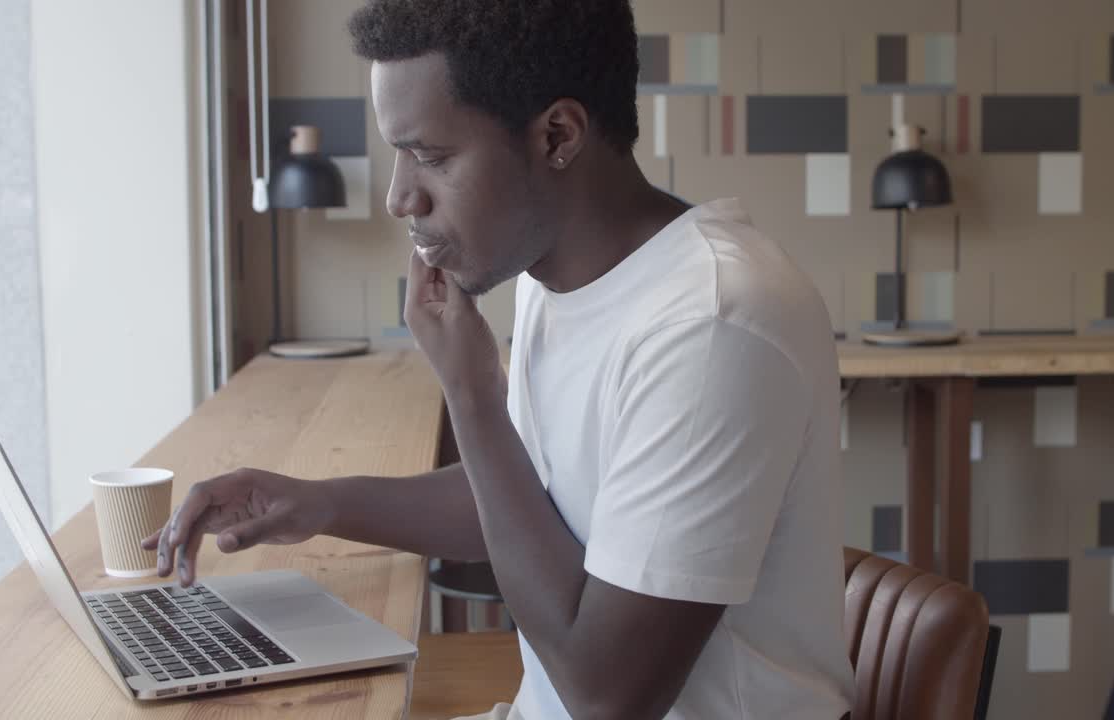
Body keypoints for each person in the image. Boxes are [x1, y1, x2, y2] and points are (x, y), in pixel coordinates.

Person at [144, 1, 855, 717]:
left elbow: (607, 696)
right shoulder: (557, 276)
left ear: (557, 135)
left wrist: (472, 391)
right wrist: (318, 502)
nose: (399, 197)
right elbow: (528, 497)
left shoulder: (711, 325)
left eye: (431, 157)